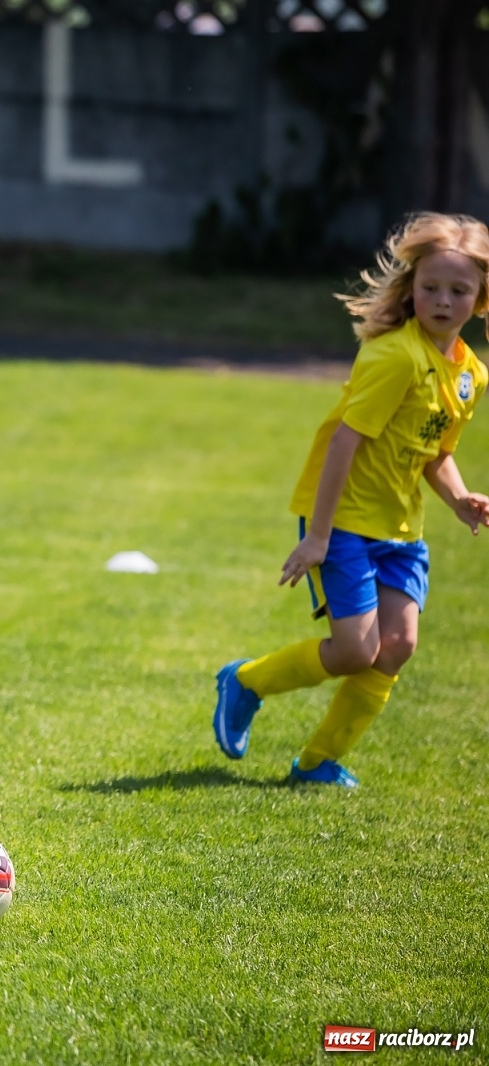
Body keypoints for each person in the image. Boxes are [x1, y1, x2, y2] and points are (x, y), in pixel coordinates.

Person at [213, 213, 489, 787]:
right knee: (355, 650)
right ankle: (247, 682)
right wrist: (318, 535)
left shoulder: (470, 375)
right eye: (430, 287)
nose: (442, 300)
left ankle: (316, 764)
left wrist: (459, 498)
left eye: (458, 290)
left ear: (480, 297)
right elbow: (345, 441)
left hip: (401, 529)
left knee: (397, 647)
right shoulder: (396, 356)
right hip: (343, 522)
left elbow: (433, 451)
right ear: (412, 288)